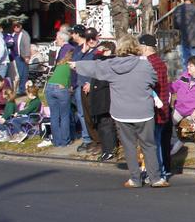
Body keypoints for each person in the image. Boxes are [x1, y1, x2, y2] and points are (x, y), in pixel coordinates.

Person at [71, 35, 168, 188]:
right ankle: (155, 178)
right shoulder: (145, 65)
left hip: (121, 112)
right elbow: (153, 80)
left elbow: (95, 67)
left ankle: (135, 179)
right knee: (149, 145)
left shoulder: (111, 65)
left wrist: (76, 65)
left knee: (129, 146)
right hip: (143, 111)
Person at [139, 34, 172, 176]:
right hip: (161, 107)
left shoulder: (150, 64)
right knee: (155, 141)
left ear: (145, 47)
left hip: (154, 109)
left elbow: (149, 86)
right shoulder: (159, 62)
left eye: (140, 46)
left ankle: (158, 172)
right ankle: (158, 170)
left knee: (153, 143)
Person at [89, 41, 118, 162]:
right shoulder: (101, 61)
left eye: (102, 49)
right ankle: (106, 149)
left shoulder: (110, 60)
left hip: (105, 97)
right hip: (99, 96)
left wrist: (100, 51)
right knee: (101, 124)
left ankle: (109, 150)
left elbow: (97, 57)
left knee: (106, 124)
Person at [42, 46, 74, 148]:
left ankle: (57, 141)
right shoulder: (71, 66)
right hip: (60, 89)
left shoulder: (60, 64)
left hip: (49, 88)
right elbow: (70, 81)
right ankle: (65, 141)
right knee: (64, 116)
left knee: (54, 116)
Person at [74, 28, 100, 153]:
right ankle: (87, 139)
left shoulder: (99, 51)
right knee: (82, 114)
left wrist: (90, 82)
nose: (91, 41)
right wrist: (82, 52)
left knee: (93, 114)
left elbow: (98, 69)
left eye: (93, 38)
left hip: (92, 86)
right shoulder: (83, 51)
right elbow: (74, 65)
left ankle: (97, 139)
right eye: (88, 39)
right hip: (80, 85)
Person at [9, 21, 32, 95]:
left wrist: (27, 56)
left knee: (22, 73)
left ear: (20, 26)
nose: (16, 28)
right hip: (13, 57)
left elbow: (27, 45)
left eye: (17, 26)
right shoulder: (12, 34)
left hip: (21, 57)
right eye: (14, 26)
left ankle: (22, 90)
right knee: (15, 74)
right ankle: (15, 88)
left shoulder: (24, 34)